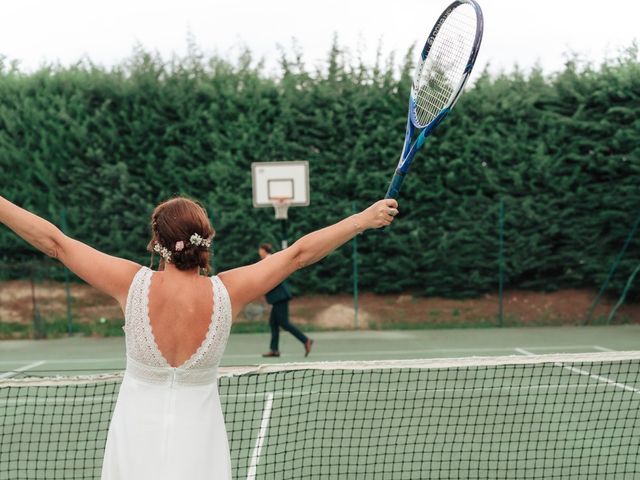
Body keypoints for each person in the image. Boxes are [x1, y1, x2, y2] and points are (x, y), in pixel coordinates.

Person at [0, 194, 398, 480]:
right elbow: (297, 254)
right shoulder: (228, 291)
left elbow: (55, 243)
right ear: (204, 241)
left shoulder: (131, 284)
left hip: (135, 435)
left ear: (158, 243)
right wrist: (361, 219)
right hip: (200, 440)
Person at [258, 242, 311, 358]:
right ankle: (274, 350)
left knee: (284, 323)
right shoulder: (267, 261)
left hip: (280, 297)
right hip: (277, 297)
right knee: (273, 323)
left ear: (264, 250)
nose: (259, 253)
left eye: (260, 250)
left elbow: (270, 279)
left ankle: (306, 340)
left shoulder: (269, 261)